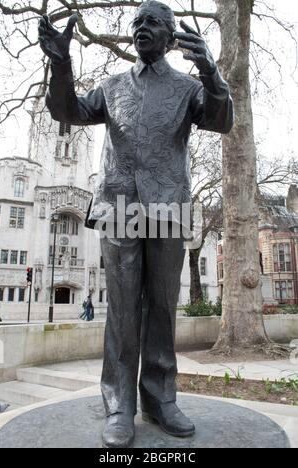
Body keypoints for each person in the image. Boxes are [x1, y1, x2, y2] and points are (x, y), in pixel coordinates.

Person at [39, 0, 233, 448]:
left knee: (163, 308)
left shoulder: (187, 88)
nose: (141, 28)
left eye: (151, 22)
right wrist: (61, 63)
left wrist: (211, 71)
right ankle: (120, 405)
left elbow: (221, 120)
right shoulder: (111, 85)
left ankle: (161, 400)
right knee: (122, 311)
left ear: (169, 36)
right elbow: (68, 111)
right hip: (119, 206)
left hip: (168, 208)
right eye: (136, 22)